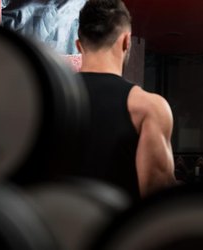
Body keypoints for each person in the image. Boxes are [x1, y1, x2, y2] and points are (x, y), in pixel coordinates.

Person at [75, 0, 177, 200]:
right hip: (118, 229)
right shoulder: (147, 107)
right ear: (126, 42)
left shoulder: (44, 97)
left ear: (79, 45)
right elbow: (157, 200)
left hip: (51, 228)